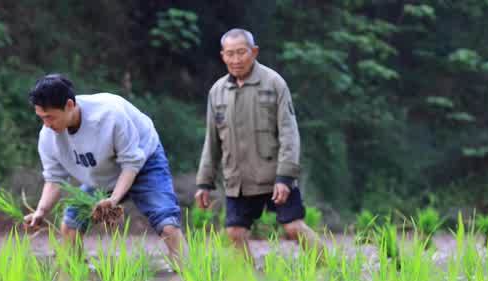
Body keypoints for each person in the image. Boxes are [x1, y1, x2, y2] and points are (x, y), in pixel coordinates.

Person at [20, 74, 187, 266]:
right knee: (70, 227)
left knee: (167, 224)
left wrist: (114, 199)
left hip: (143, 161)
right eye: (41, 118)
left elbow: (131, 162)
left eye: (50, 117)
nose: (46, 124)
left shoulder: (110, 114)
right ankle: (76, 280)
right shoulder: (48, 137)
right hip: (102, 173)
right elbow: (54, 179)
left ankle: (190, 279)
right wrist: (40, 212)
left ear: (69, 105)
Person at [194, 28, 320, 256]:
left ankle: (329, 271)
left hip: (273, 176)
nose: (235, 59)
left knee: (293, 227)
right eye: (229, 54)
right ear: (223, 56)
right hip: (237, 180)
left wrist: (285, 177)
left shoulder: (274, 83)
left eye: (241, 52)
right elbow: (211, 141)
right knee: (234, 232)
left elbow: (289, 133)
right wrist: (204, 182)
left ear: (254, 52)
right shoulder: (217, 92)